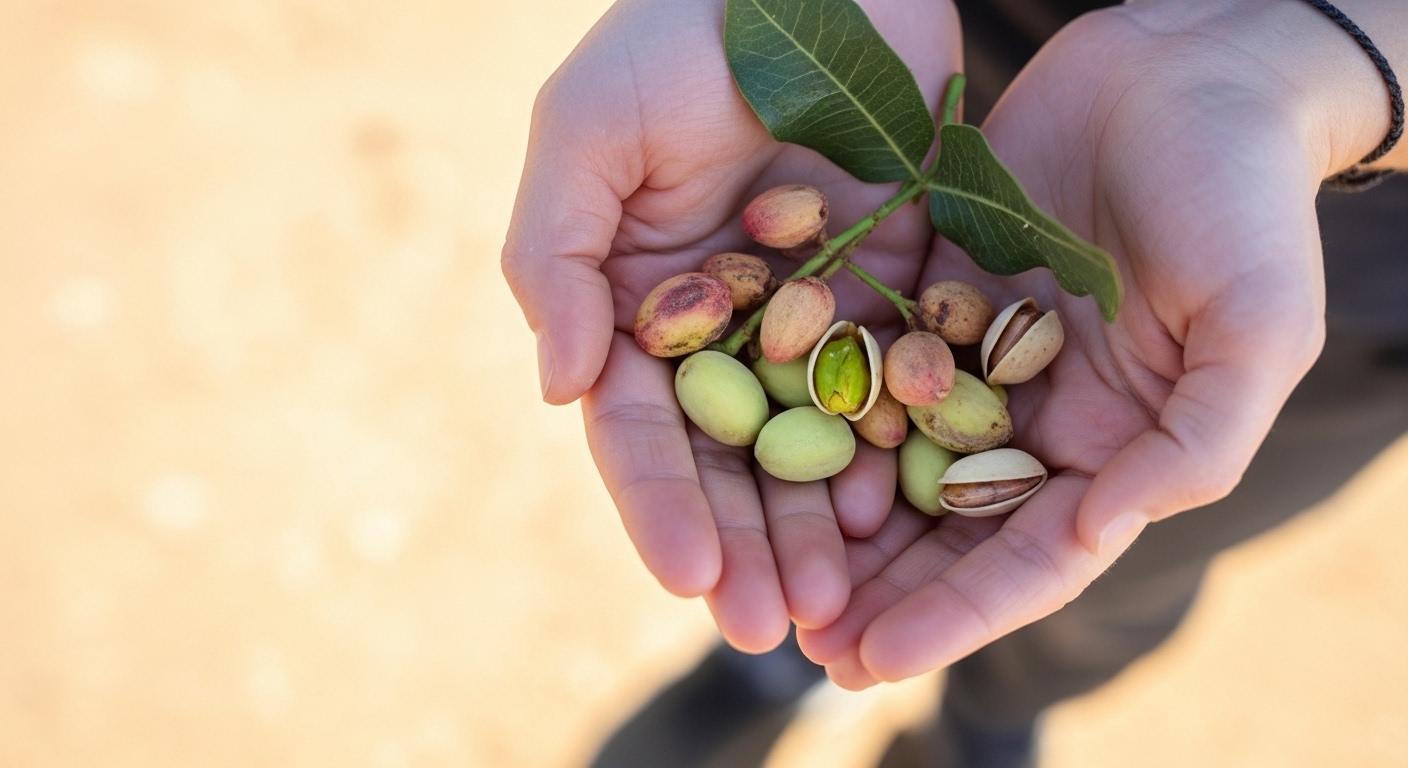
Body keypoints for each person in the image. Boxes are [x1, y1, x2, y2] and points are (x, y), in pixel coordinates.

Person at [500, 0, 1408, 765]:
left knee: (1121, 555)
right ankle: (777, 665)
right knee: (840, 575)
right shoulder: (841, 301)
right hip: (936, 42)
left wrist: (1300, 68)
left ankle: (991, 722)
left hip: (1300, 237)